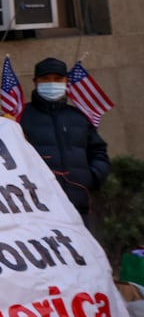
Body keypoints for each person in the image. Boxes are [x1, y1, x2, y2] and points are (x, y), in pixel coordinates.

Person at [20, 56, 110, 216]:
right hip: (39, 208)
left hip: (79, 205)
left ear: (66, 81)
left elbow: (98, 152)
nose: (52, 83)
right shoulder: (21, 117)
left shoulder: (79, 117)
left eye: (57, 78)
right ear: (35, 81)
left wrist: (93, 177)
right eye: (45, 78)